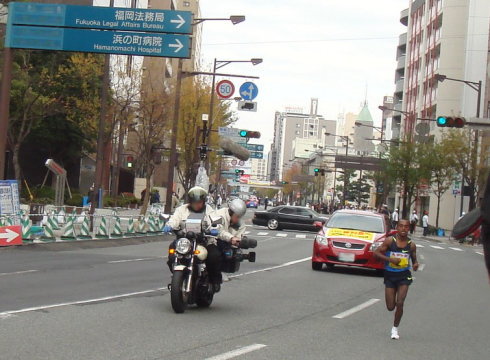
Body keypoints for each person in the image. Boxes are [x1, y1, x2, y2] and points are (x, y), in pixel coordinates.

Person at [163, 186, 222, 291]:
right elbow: (175, 219)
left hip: (204, 241)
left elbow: (215, 221)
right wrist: (169, 225)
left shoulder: (209, 210)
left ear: (203, 201)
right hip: (185, 241)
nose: (197, 204)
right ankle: (179, 278)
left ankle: (214, 281)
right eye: (194, 202)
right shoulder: (182, 209)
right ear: (190, 201)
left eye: (199, 202)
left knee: (214, 256)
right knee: (172, 254)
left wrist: (215, 228)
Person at [375, 219, 419, 340]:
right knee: (390, 307)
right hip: (390, 275)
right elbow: (376, 253)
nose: (403, 229)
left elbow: (414, 260)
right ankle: (394, 318)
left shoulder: (411, 245)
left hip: (404, 276)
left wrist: (415, 265)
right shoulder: (390, 241)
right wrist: (390, 260)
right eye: (401, 226)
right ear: (397, 228)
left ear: (409, 228)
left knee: (400, 302)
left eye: (406, 227)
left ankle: (395, 328)